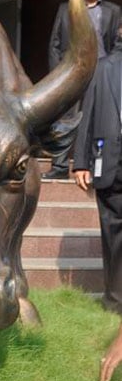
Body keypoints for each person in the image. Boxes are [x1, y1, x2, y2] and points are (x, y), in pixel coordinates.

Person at [44, 0, 120, 179]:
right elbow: (55, 44)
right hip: (71, 73)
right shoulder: (65, 9)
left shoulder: (112, 11)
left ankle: (95, 166)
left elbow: (116, 44)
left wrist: (111, 71)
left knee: (97, 118)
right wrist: (57, 74)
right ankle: (59, 167)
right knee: (64, 119)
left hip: (101, 73)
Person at [72, 39, 122, 314]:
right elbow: (87, 114)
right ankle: (114, 300)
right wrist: (81, 162)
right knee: (113, 234)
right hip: (111, 164)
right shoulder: (103, 68)